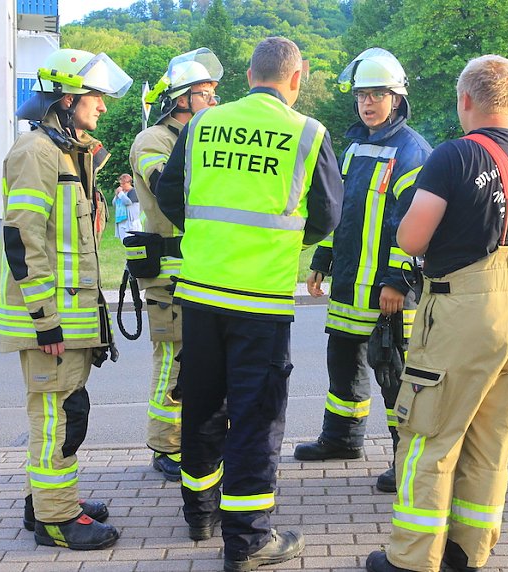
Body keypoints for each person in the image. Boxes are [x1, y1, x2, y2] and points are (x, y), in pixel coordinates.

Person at [366, 55, 508, 572]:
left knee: (429, 436)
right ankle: (467, 552)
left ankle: (412, 559)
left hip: (461, 307)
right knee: (492, 439)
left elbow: (412, 237)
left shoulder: (453, 157)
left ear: (465, 100)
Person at [156, 36, 343, 572]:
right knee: (256, 418)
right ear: (297, 77)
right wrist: (278, 240)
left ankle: (200, 513)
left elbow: (172, 195)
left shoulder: (202, 124)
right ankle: (248, 541)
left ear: (247, 73)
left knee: (201, 404)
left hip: (199, 292)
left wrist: (215, 238)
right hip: (259, 299)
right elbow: (328, 214)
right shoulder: (308, 132)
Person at [0, 48, 132, 550]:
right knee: (57, 415)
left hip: (67, 317)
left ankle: (47, 501)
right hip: (49, 318)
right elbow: (22, 239)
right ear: (67, 99)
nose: (101, 106)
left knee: (67, 409)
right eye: (94, 98)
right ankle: (56, 519)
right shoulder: (34, 152)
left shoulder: (63, 153)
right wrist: (45, 319)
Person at [293, 48, 431, 494]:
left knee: (393, 375)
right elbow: (342, 213)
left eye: (377, 95)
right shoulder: (353, 147)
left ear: (397, 98)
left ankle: (402, 457)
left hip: (389, 291)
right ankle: (342, 438)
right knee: (343, 366)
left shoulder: (413, 152)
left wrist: (397, 280)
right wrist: (321, 259)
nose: (367, 103)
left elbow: (412, 225)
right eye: (361, 95)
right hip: (350, 285)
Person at [127, 47, 223, 485]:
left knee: (200, 361)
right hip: (168, 273)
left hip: (202, 269)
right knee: (171, 359)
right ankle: (166, 446)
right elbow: (169, 186)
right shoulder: (154, 140)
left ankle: (195, 438)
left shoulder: (203, 137)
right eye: (205, 93)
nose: (213, 101)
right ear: (180, 99)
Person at [112, 173, 140, 239]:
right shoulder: (122, 193)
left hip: (131, 222)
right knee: (123, 240)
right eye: (121, 184)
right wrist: (116, 195)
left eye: (123, 184)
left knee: (131, 240)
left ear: (129, 182)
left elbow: (128, 202)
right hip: (121, 220)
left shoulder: (133, 191)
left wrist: (121, 194)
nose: (122, 186)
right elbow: (114, 204)